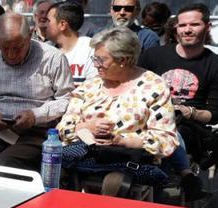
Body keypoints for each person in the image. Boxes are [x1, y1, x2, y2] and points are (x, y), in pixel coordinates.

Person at [55, 27, 178, 195]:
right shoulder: (90, 85)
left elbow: (165, 139)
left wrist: (122, 141)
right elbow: (63, 128)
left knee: (116, 183)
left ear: (124, 60)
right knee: (53, 171)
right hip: (85, 155)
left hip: (127, 160)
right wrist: (86, 127)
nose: (95, 65)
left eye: (101, 60)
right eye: (95, 58)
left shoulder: (153, 86)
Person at [0, 13, 73, 174]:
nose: (11, 55)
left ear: (30, 35)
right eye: (5, 48)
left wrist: (35, 115)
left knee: (5, 165)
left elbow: (66, 100)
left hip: (35, 132)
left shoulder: (53, 58)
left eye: (17, 48)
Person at [138, 3, 218, 184]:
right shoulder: (152, 56)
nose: (187, 30)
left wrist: (190, 112)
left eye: (194, 25)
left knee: (174, 134)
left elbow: (217, 113)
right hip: (146, 118)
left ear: (207, 27)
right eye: (182, 25)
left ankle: (158, 188)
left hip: (188, 127)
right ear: (175, 28)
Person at [47, 0, 96, 83]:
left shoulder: (91, 48)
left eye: (48, 21)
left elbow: (95, 85)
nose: (45, 25)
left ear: (62, 25)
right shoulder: (45, 49)